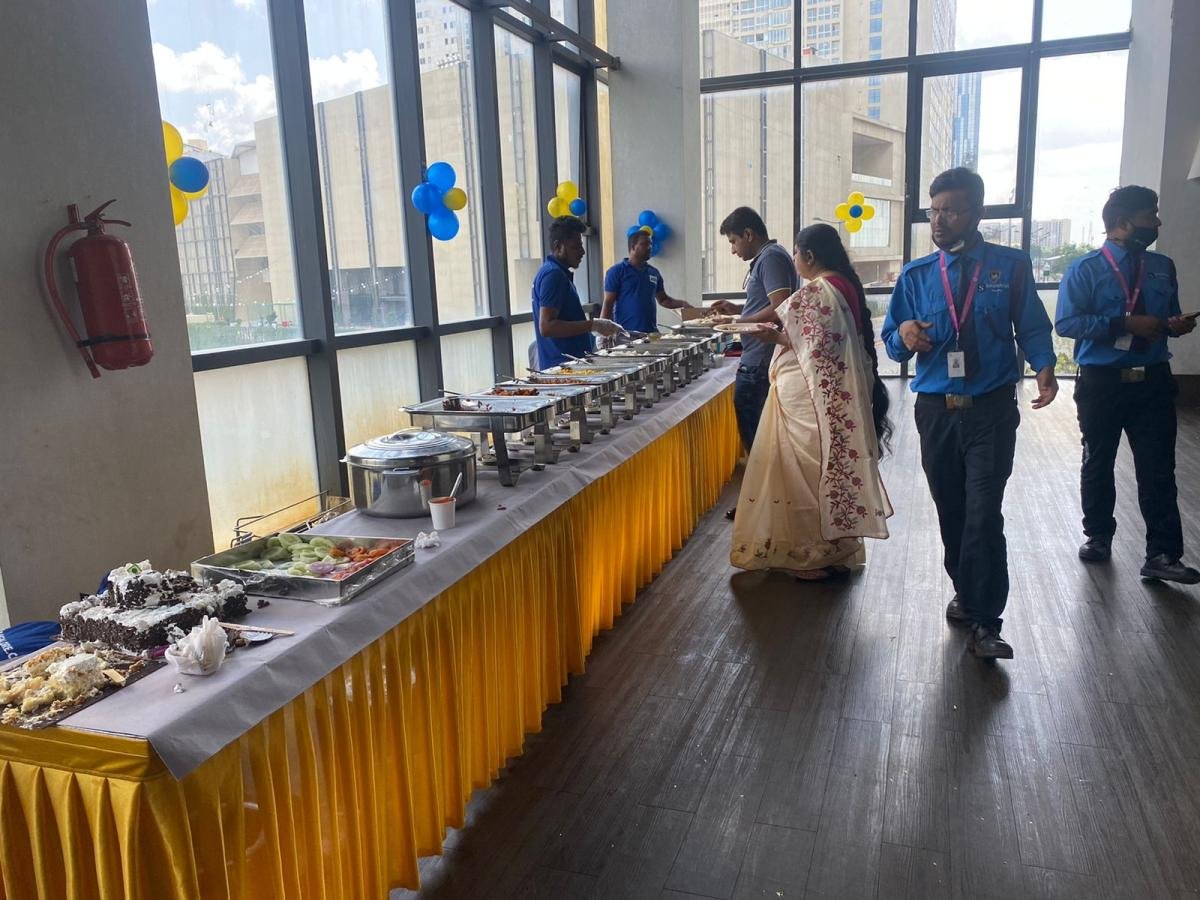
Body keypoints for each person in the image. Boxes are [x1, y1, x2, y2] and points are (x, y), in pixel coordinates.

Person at [881, 167, 1058, 660]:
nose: (939, 221)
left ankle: (985, 620)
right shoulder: (916, 276)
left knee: (983, 512)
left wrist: (1044, 367)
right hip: (936, 412)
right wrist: (904, 336)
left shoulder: (1010, 266)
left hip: (991, 411)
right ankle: (965, 588)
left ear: (977, 213)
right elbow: (891, 340)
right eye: (934, 211)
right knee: (953, 510)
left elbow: (1032, 327)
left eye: (951, 211)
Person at [731, 224, 893, 579]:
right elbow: (820, 343)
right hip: (836, 396)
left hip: (808, 399)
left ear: (809, 256)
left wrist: (770, 337)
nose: (794, 259)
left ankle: (809, 554)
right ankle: (834, 548)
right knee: (827, 469)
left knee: (801, 472)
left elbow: (804, 344)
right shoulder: (845, 284)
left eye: (795, 253)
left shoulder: (819, 291)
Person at [1055, 185, 1199, 583]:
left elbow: (1167, 315)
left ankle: (1163, 554)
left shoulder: (1162, 267)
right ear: (1122, 223)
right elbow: (1066, 323)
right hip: (1102, 383)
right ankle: (1098, 535)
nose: (1157, 222)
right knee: (1097, 460)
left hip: (1152, 382)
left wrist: (1175, 325)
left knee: (1158, 467)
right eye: (1149, 215)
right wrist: (1123, 323)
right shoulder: (1085, 269)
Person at [709, 208, 799, 520]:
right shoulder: (767, 258)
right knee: (758, 438)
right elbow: (765, 304)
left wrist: (737, 322)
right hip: (756, 358)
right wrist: (738, 310)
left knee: (759, 439)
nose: (733, 250)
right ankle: (763, 502)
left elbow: (780, 307)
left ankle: (763, 506)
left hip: (760, 361)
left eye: (734, 242)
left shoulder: (771, 257)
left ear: (749, 234)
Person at [531, 216, 619, 369]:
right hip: (563, 369)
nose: (582, 252)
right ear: (558, 247)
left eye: (581, 245)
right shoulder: (553, 275)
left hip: (569, 366)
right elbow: (547, 327)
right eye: (575, 247)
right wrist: (594, 325)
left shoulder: (555, 272)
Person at [600, 229, 694, 334]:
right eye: (644, 244)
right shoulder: (616, 271)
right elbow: (608, 302)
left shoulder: (654, 272)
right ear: (633, 247)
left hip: (650, 334)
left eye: (650, 244)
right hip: (625, 335)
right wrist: (603, 333)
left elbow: (663, 300)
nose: (649, 247)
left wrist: (682, 304)